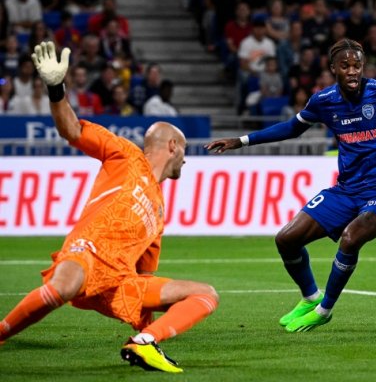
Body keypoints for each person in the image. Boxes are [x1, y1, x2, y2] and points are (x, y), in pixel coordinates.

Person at [0, 42, 219, 373]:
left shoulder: (159, 209)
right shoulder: (125, 154)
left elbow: (145, 276)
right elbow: (71, 130)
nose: (186, 159)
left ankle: (145, 344)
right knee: (65, 286)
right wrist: (56, 88)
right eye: (184, 151)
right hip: (86, 253)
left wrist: (142, 323)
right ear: (172, 146)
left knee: (206, 294)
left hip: (118, 282)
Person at [205, 38, 376, 332]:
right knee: (286, 239)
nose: (352, 71)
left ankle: (325, 311)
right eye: (345, 66)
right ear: (333, 68)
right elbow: (290, 129)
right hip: (346, 190)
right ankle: (311, 297)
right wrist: (242, 141)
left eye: (357, 66)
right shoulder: (323, 101)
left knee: (351, 239)